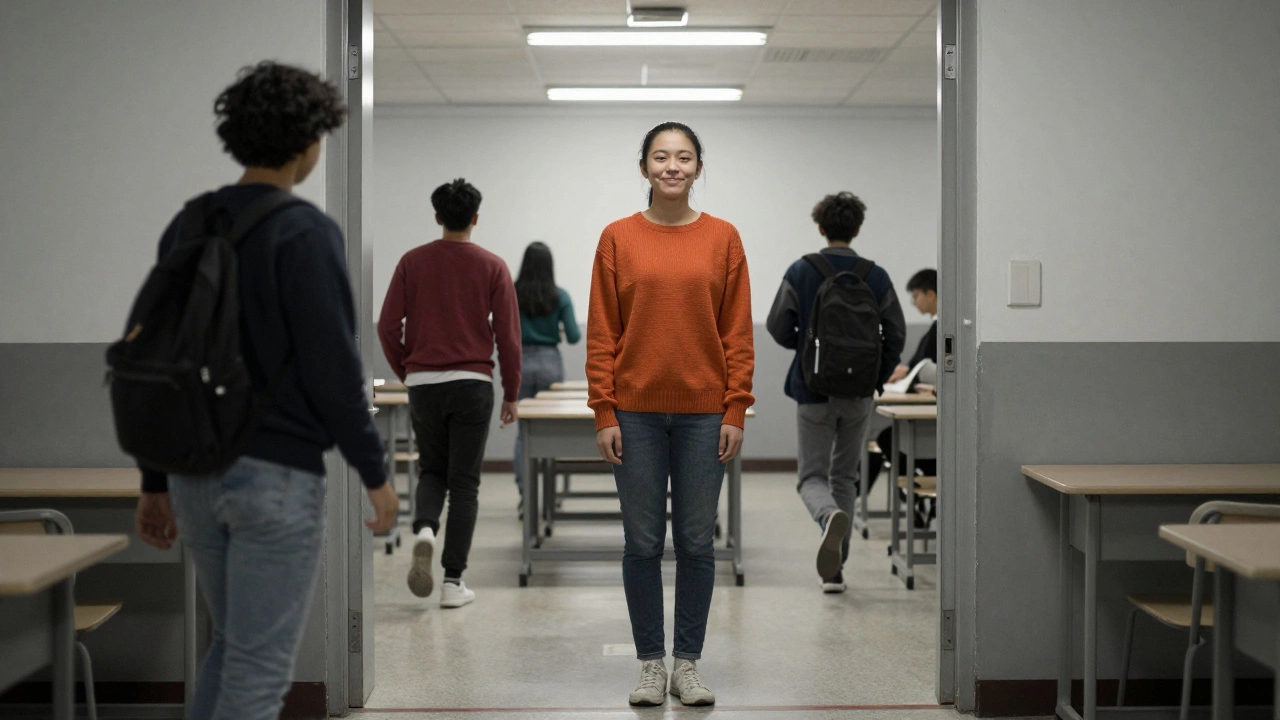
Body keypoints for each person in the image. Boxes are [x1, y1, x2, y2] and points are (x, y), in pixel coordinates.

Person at [132, 62, 398, 720]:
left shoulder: (188, 224)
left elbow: (155, 359)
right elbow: (334, 369)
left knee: (232, 649)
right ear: (311, 143)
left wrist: (154, 481)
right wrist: (375, 472)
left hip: (194, 474)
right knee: (258, 668)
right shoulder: (304, 231)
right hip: (275, 476)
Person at [587, 121, 754, 708]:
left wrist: (736, 406)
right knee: (641, 541)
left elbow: (736, 332)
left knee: (696, 542)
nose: (672, 166)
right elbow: (603, 331)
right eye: (661, 156)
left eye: (684, 157)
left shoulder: (725, 238)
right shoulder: (616, 238)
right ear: (645, 168)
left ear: (699, 168)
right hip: (633, 412)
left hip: (705, 413)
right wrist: (604, 409)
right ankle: (650, 665)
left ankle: (688, 665)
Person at [377, 178, 521, 609]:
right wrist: (511, 392)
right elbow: (508, 339)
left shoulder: (412, 262)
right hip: (473, 384)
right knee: (465, 485)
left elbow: (387, 326)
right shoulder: (492, 266)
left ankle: (423, 530)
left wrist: (407, 369)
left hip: (423, 383)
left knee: (432, 471)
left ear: (437, 217)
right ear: (475, 218)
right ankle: (452, 583)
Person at [766, 192, 907, 594]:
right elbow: (894, 334)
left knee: (812, 476)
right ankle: (834, 572)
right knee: (845, 475)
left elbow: (778, 325)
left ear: (821, 227)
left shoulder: (802, 270)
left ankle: (827, 517)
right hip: (859, 393)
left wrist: (809, 351)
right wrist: (875, 377)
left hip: (812, 390)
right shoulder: (875, 276)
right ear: (857, 228)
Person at [869, 268, 939, 526]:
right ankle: (912, 496)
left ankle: (911, 493)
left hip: (929, 413)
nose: (914, 302)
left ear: (930, 294)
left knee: (888, 438)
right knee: (886, 438)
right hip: (926, 407)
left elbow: (926, 366)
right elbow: (918, 365)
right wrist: (906, 370)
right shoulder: (935, 327)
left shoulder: (940, 329)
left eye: (916, 296)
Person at [513, 241, 581, 501]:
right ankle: (550, 495)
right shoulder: (560, 296)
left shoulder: (511, 292)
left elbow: (501, 329)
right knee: (551, 429)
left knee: (524, 434)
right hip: (549, 362)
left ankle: (525, 495)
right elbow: (574, 336)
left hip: (519, 361)